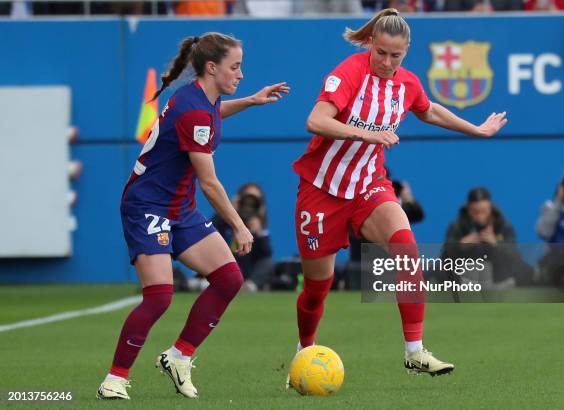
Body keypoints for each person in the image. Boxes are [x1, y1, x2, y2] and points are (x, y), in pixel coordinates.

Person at [291, 8, 507, 378]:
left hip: (368, 186)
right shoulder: (349, 73)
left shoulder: (406, 83)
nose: (388, 62)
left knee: (406, 250)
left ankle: (415, 351)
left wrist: (476, 128)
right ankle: (304, 352)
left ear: (406, 52)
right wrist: (369, 135)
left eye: (397, 56)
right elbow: (316, 120)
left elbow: (429, 111)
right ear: (371, 43)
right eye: (382, 53)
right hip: (322, 189)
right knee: (317, 287)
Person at [96, 32, 289, 400]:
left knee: (229, 278)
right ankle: (114, 379)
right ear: (212, 68)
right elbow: (210, 183)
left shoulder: (200, 101)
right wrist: (239, 225)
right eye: (235, 67)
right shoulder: (194, 109)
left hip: (178, 209)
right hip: (147, 206)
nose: (241, 74)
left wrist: (251, 101)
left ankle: (179, 355)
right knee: (159, 297)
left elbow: (213, 114)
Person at [441, 187, 532, 287]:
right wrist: (461, 245)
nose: (479, 216)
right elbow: (445, 254)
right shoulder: (457, 226)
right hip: (466, 276)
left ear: (490, 207)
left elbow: (513, 254)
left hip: (499, 277)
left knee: (525, 269)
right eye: (475, 212)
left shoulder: (503, 225)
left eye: (483, 211)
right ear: (468, 209)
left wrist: (496, 244)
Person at [213, 182, 275, 291]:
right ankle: (211, 282)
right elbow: (210, 233)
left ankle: (250, 285)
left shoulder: (258, 224)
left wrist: (260, 233)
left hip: (248, 270)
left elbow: (266, 255)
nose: (248, 205)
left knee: (268, 262)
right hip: (225, 265)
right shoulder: (224, 221)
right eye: (246, 200)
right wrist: (227, 211)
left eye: (254, 202)